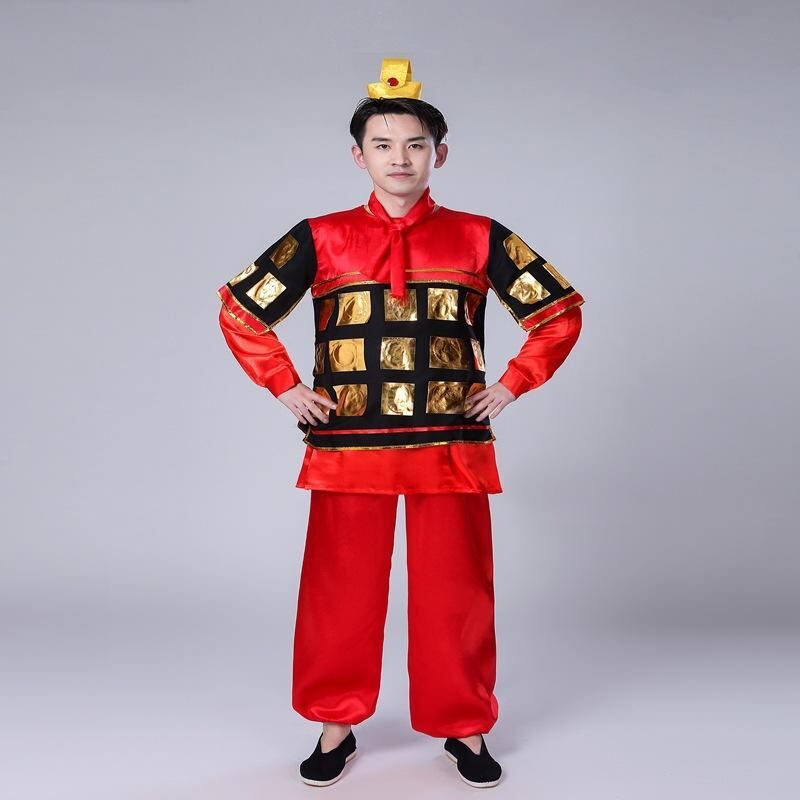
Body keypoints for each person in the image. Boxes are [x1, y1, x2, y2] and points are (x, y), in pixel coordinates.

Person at [216, 58, 586, 788]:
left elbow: (558, 313)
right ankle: (335, 722)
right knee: (339, 591)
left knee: (458, 591)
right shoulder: (320, 237)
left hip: (451, 445)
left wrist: (512, 384)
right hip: (349, 446)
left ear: (439, 154)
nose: (400, 158)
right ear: (358, 156)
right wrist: (285, 386)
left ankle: (464, 724)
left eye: (415, 145)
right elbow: (241, 311)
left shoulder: (479, 236)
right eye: (383, 145)